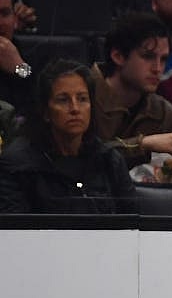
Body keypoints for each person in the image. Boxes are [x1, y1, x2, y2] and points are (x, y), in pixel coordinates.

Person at [0, 59, 136, 214]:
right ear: (45, 112)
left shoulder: (110, 160)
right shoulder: (16, 165)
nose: (75, 109)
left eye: (82, 99)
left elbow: (133, 225)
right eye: (63, 100)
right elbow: (15, 232)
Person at [90, 12, 172, 172]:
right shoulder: (79, 97)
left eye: (163, 59)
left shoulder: (167, 116)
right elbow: (77, 159)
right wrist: (142, 145)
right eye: (148, 56)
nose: (158, 68)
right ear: (118, 56)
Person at [0, 0, 33, 124]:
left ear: (15, 19)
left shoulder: (26, 52)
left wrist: (19, 68)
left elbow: (41, 95)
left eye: (5, 13)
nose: (0, 22)